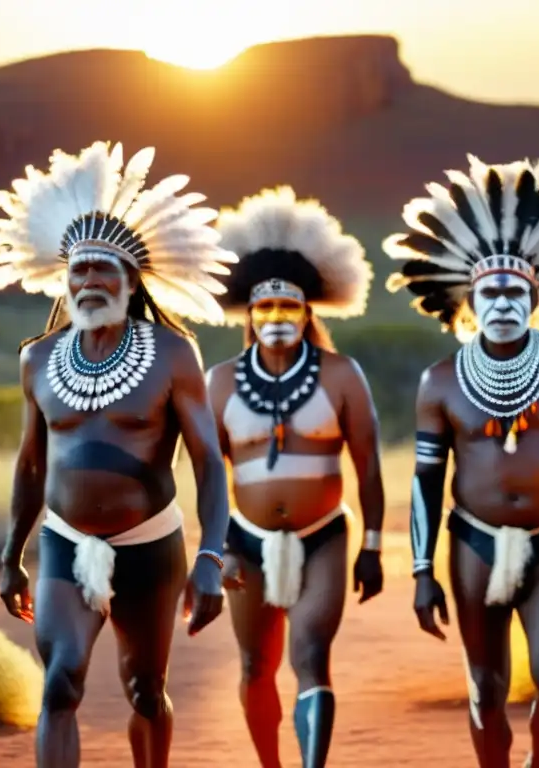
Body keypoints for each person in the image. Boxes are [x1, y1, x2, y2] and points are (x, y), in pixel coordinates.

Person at [0, 140, 239, 768]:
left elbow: (207, 460)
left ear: (131, 281)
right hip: (65, 544)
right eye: (80, 270)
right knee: (61, 679)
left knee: (146, 691)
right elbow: (30, 465)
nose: (90, 280)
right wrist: (13, 554)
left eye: (105, 270)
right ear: (62, 281)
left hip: (151, 547)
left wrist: (209, 556)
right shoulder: (37, 358)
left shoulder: (174, 354)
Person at [383, 155, 539, 768]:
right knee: (486, 689)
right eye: (491, 291)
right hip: (471, 545)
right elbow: (425, 482)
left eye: (515, 291)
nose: (503, 302)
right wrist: (421, 571)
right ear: (469, 301)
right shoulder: (440, 382)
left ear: (535, 296)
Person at [205, 186, 386, 768]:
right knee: (255, 665)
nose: (277, 318)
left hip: (324, 536)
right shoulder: (222, 381)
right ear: (249, 315)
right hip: (244, 540)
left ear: (308, 312)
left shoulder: (340, 375)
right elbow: (211, 473)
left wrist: (374, 547)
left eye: (289, 308)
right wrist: (214, 552)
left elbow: (369, 463)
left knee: (310, 654)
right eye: (265, 308)